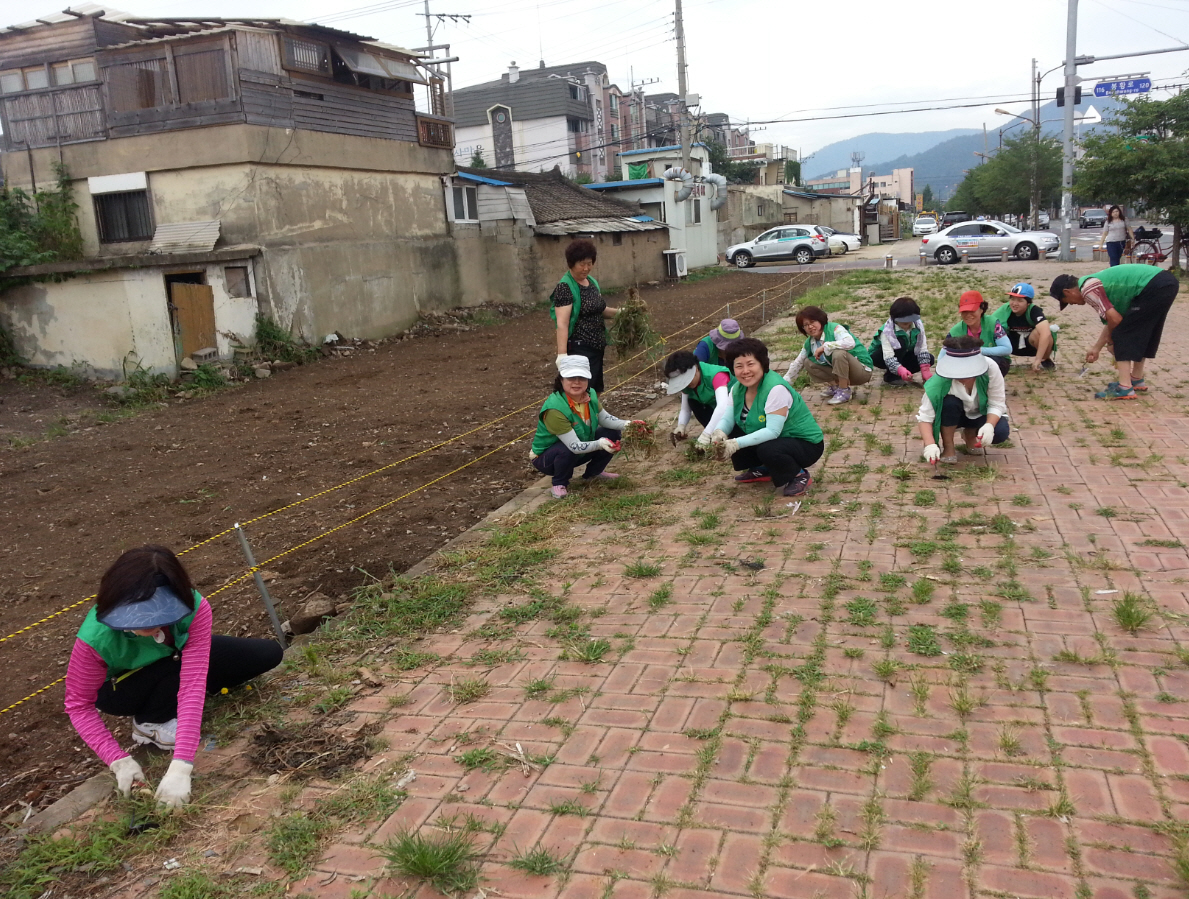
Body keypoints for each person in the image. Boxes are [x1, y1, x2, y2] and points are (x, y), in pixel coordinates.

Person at [65, 545, 283, 809]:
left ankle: (178, 702)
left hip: (173, 661)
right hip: (121, 689)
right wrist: (117, 760)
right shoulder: (95, 638)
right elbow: (78, 705)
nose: (146, 624)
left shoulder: (194, 607)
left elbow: (192, 683)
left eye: (156, 615)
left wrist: (181, 768)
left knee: (267, 654)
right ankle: (149, 722)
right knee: (175, 665)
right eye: (137, 617)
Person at [710, 337, 825, 496]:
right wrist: (719, 433)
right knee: (734, 429)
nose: (745, 371)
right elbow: (728, 419)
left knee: (768, 448)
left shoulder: (775, 388)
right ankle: (762, 468)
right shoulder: (737, 388)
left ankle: (798, 474)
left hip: (806, 444)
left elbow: (772, 431)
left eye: (751, 364)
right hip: (780, 439)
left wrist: (734, 444)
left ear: (762, 364)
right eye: (739, 366)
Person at [1050, 265, 1180, 399]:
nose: (1071, 304)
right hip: (1165, 282)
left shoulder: (1088, 290)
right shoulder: (1094, 283)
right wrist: (1097, 348)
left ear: (1068, 292)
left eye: (1066, 301)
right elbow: (1111, 320)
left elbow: (1115, 320)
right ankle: (1136, 379)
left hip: (1155, 285)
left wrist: (1112, 342)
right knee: (1142, 331)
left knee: (1122, 333)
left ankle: (1125, 388)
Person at [530, 354, 641, 499]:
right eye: (571, 378)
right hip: (547, 458)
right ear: (561, 379)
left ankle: (593, 473)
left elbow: (606, 419)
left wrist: (630, 424)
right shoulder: (555, 409)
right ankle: (559, 483)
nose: (577, 382)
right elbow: (574, 446)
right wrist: (600, 443)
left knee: (612, 432)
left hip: (579, 449)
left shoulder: (591, 395)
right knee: (565, 449)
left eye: (582, 378)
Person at [917, 336, 1011, 464]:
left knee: (1000, 432)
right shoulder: (939, 382)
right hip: (953, 415)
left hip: (980, 413)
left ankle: (970, 434)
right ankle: (948, 447)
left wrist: (989, 425)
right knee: (950, 403)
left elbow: (997, 402)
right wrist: (930, 445)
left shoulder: (990, 368)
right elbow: (925, 417)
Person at [551, 239, 619, 394]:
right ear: (571, 263)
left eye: (589, 263)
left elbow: (599, 309)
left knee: (595, 389)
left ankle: (593, 417)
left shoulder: (591, 282)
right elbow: (562, 323)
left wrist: (622, 312)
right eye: (582, 264)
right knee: (582, 391)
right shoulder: (565, 287)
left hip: (597, 347)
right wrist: (562, 354)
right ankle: (581, 418)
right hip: (580, 349)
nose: (586, 268)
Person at [785, 306, 873, 406]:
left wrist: (825, 346)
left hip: (861, 371)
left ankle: (844, 391)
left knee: (838, 353)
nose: (810, 327)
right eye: (805, 325)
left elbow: (850, 343)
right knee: (807, 362)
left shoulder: (835, 329)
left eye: (813, 322)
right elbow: (797, 363)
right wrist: (784, 384)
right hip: (844, 373)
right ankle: (835, 387)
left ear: (820, 320)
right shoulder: (810, 343)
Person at [663, 350, 736, 449]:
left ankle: (718, 433)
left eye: (687, 380)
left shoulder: (716, 375)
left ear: (696, 368)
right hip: (713, 409)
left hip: (735, 412)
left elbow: (722, 406)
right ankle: (714, 435)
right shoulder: (687, 387)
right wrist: (681, 425)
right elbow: (685, 409)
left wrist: (706, 434)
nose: (687, 384)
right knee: (692, 401)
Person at [868, 296, 935, 387]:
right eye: (904, 323)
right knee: (901, 343)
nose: (907, 325)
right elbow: (888, 356)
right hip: (880, 357)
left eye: (910, 322)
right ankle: (891, 376)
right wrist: (899, 370)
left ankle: (903, 371)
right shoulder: (887, 331)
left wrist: (925, 370)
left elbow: (922, 348)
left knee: (930, 359)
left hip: (904, 353)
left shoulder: (918, 326)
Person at [990, 283, 1058, 372]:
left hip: (1031, 346)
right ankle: (999, 360)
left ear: (1028, 303)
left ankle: (1044, 359)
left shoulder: (1034, 310)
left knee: (1044, 333)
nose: (1014, 303)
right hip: (1010, 346)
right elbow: (987, 327)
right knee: (994, 331)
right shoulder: (1004, 310)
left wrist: (1038, 359)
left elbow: (1046, 333)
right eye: (1012, 299)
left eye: (1020, 300)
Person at [947, 290, 1012, 375]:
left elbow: (1007, 348)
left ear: (982, 309)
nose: (968, 315)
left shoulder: (993, 323)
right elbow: (943, 356)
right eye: (964, 311)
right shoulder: (955, 331)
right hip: (966, 366)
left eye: (972, 311)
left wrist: (979, 351)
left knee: (993, 363)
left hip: (993, 363)